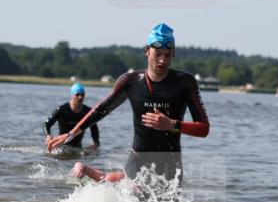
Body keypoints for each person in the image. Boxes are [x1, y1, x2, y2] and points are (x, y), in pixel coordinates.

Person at [47, 23, 209, 186]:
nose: (162, 60)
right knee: (124, 197)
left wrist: (172, 124)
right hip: (138, 158)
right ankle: (87, 170)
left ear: (173, 54)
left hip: (170, 163)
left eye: (167, 55)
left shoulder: (184, 82)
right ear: (147, 51)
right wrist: (70, 135)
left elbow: (204, 128)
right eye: (158, 54)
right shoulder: (131, 82)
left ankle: (90, 171)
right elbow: (101, 110)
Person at [43, 83, 100, 151]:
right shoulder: (61, 109)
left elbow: (94, 129)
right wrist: (48, 136)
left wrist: (96, 143)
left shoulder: (88, 112)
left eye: (82, 95)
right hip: (62, 147)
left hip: (78, 148)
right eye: (77, 94)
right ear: (72, 95)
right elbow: (47, 124)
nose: (80, 97)